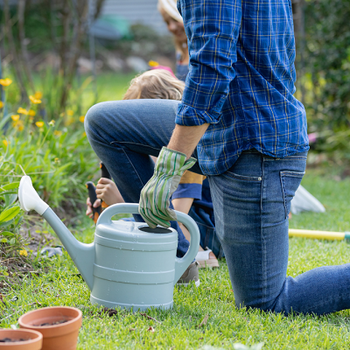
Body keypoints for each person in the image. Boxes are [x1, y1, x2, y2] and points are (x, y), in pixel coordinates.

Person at [85, 0, 350, 316]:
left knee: (265, 303)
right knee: (105, 123)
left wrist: (170, 166)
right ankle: (177, 257)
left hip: (254, 138)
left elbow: (212, 68)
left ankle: (180, 250)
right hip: (224, 121)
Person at [86, 69, 221, 268]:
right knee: (131, 226)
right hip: (196, 224)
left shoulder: (185, 158)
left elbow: (176, 217)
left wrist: (120, 201)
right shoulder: (167, 156)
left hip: (209, 233)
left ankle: (195, 257)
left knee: (148, 226)